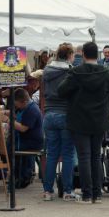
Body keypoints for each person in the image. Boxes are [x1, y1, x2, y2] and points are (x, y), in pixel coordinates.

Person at [58, 42, 109, 204]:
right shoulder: (107, 73)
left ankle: (87, 194)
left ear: (83, 54)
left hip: (79, 119)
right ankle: (97, 194)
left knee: (84, 157)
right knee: (96, 156)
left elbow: (61, 91)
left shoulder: (75, 72)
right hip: (99, 120)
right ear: (97, 54)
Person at [42, 43, 77, 201]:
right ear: (69, 55)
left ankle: (47, 191)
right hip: (66, 114)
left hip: (49, 114)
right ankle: (68, 191)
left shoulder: (46, 71)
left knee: (51, 155)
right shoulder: (71, 72)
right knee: (68, 154)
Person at [11, 88, 44, 188]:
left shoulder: (32, 110)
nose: (16, 106)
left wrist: (9, 120)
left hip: (32, 142)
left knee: (10, 147)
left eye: (16, 104)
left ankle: (21, 177)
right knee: (9, 144)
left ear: (24, 101)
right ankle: (18, 176)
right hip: (27, 140)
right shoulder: (28, 107)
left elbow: (23, 128)